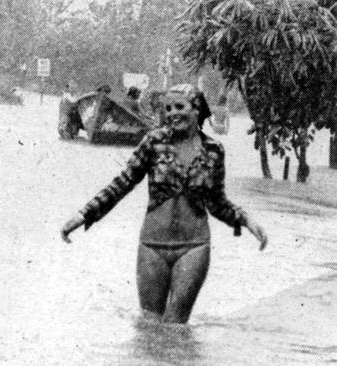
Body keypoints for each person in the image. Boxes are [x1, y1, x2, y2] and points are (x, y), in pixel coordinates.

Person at [60, 84, 268, 324]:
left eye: (180, 107)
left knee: (176, 325)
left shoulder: (214, 150)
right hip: (152, 246)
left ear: (196, 109)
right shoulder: (153, 142)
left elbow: (217, 202)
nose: (172, 113)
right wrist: (84, 215)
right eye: (168, 108)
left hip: (194, 247)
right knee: (149, 326)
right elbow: (123, 183)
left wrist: (247, 221)